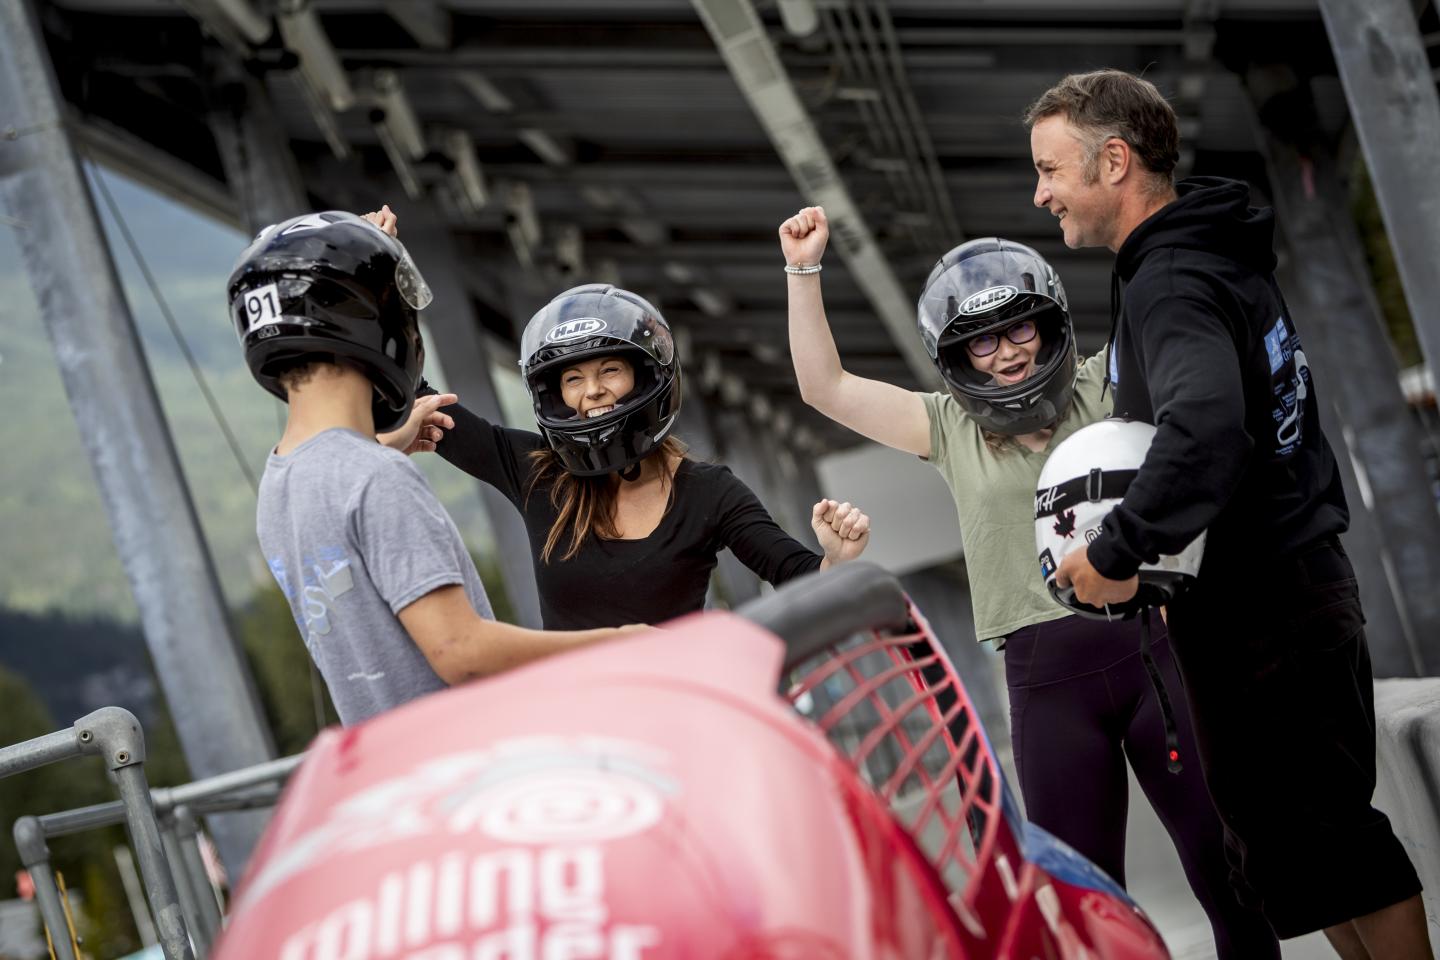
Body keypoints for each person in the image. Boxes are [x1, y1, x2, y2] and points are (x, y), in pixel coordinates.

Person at [779, 208, 1278, 958]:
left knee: (1230, 871)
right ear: (957, 354)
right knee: (1074, 903)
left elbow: (1201, 348)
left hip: (1155, 652)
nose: (1006, 353)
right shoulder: (947, 427)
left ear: (1050, 325)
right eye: (982, 340)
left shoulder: (1107, 384)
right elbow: (825, 387)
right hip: (1046, 683)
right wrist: (803, 269)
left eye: (1020, 329)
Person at [1028, 68, 1428, 957]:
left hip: (1270, 606)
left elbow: (1207, 427)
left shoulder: (1171, 280)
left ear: (1115, 161)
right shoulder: (1188, 262)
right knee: (1295, 857)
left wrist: (1120, 547)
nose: (1041, 191)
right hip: (1258, 605)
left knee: (1334, 841)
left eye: (1053, 169)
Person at [363, 207, 870, 629]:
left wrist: (835, 559)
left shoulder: (708, 492)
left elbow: (797, 574)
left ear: (648, 376)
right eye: (573, 380)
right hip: (583, 734)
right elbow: (418, 397)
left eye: (610, 369)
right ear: (555, 395)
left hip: (681, 724)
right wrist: (380, 285)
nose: (593, 391)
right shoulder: (535, 471)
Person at [232, 211, 639, 726]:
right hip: (462, 764)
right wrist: (621, 645)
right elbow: (460, 652)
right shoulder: (377, 478)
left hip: (395, 769)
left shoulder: (282, 478)